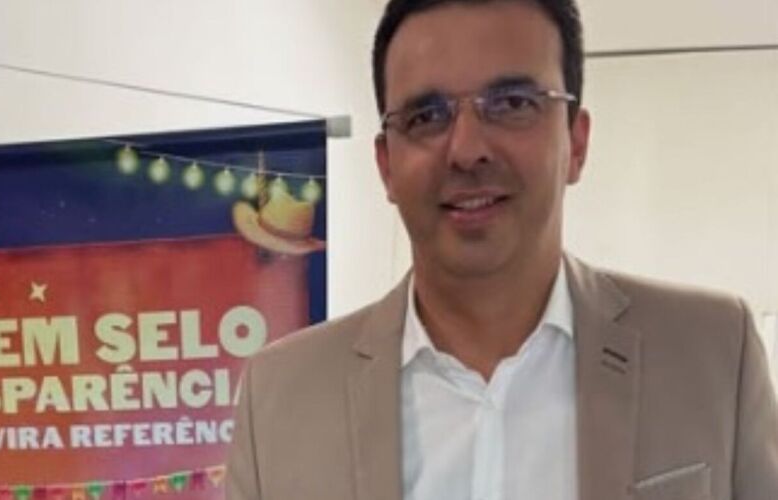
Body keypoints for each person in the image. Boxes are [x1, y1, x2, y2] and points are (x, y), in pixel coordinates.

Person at [225, 0, 778, 498]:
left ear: (576, 142)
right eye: (426, 116)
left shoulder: (711, 354)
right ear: (386, 165)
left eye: (512, 103)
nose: (467, 150)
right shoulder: (281, 400)